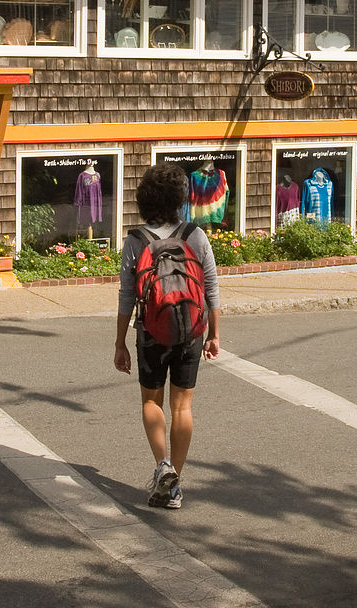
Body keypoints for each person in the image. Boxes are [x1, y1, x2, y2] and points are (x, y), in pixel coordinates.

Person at [114, 162, 221, 510]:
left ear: (145, 199)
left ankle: (163, 467)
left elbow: (127, 295)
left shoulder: (135, 240)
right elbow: (211, 288)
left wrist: (119, 343)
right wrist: (214, 334)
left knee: (151, 402)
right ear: (180, 198)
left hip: (151, 330)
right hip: (192, 330)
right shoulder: (195, 235)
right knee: (183, 405)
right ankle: (176, 481)